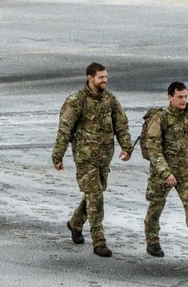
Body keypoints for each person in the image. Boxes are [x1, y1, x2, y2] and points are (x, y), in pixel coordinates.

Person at [52, 62, 133, 258]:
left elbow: (121, 124)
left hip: (104, 157)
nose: (105, 80)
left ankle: (75, 223)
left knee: (93, 194)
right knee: (96, 196)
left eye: (105, 77)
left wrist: (126, 147)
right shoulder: (76, 101)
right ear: (90, 78)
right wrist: (58, 155)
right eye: (101, 77)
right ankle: (99, 241)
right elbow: (64, 129)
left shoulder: (110, 100)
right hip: (85, 158)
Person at [142, 82, 188, 263]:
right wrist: (165, 173)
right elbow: (153, 149)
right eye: (180, 97)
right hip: (162, 173)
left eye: (185, 96)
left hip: (186, 172)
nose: (184, 100)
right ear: (170, 97)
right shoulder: (160, 118)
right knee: (156, 207)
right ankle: (152, 240)